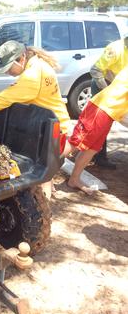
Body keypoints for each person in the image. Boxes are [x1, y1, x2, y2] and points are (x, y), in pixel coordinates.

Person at [0, 40, 71, 199]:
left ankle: (43, 211)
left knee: (42, 177)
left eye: (8, 68)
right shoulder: (38, 64)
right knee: (47, 168)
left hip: (55, 129)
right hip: (54, 122)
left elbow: (3, 99)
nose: (7, 73)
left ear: (20, 59)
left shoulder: (32, 75)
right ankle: (48, 189)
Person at [64, 65, 128, 195]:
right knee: (75, 143)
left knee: (92, 148)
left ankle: (74, 179)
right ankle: (43, 179)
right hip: (101, 109)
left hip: (109, 112)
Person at [90, 34, 128, 168]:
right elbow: (95, 70)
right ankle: (99, 157)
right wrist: (107, 91)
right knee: (101, 123)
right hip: (104, 86)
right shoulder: (115, 48)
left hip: (120, 88)